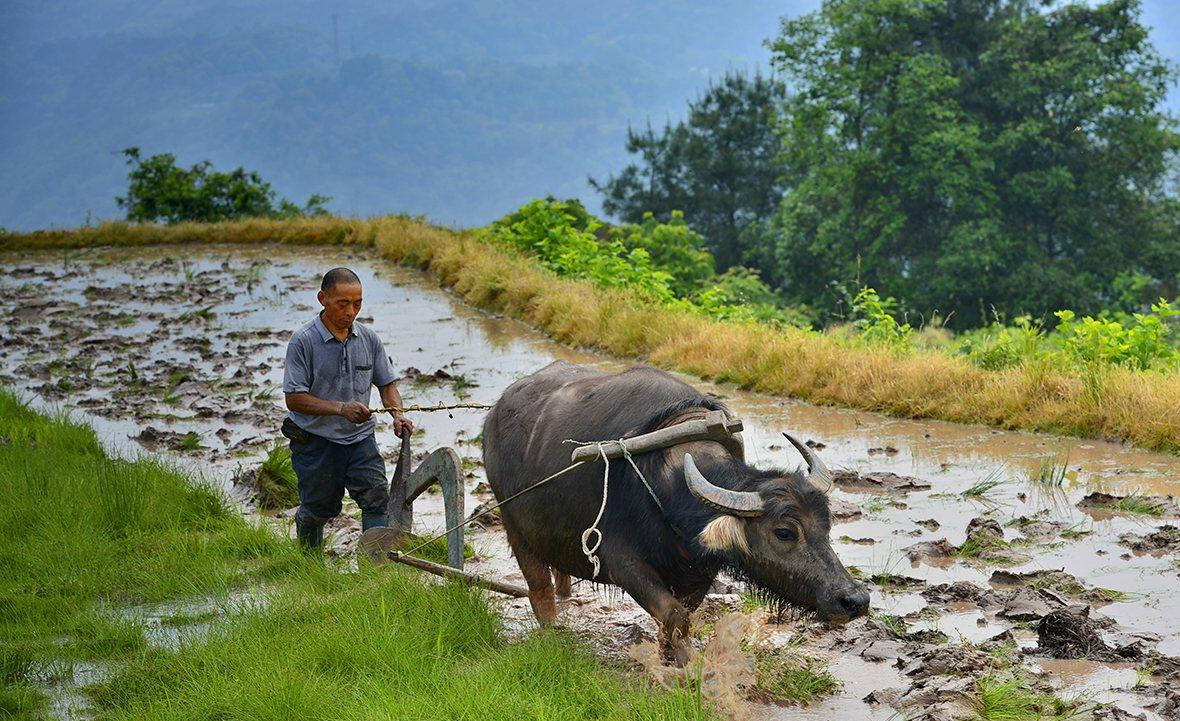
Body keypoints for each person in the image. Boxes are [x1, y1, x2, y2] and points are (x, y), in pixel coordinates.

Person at [281, 267, 414, 550]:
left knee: (376, 499)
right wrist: (341, 409)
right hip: (317, 442)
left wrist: (398, 415)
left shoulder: (368, 339)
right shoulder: (303, 341)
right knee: (319, 508)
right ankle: (308, 565)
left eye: (357, 304)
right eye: (343, 304)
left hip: (360, 440)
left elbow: (387, 385)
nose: (351, 311)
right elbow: (294, 398)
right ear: (323, 299)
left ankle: (373, 570)